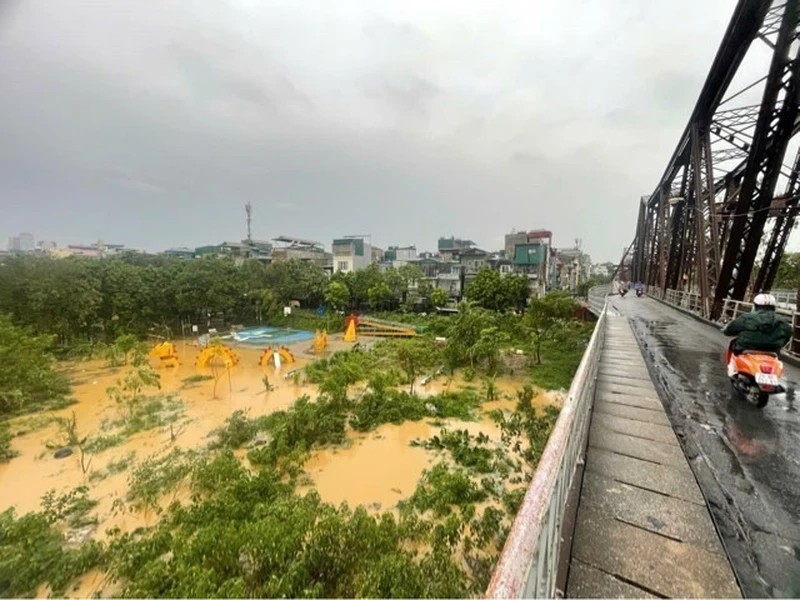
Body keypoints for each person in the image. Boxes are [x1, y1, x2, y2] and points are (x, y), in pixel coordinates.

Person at [723, 293, 793, 354]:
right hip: (772, 351)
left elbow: (730, 330)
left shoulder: (746, 317)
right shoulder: (783, 321)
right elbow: (788, 334)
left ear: (755, 305)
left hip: (746, 348)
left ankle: (731, 368)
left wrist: (726, 331)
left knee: (733, 343)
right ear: (774, 307)